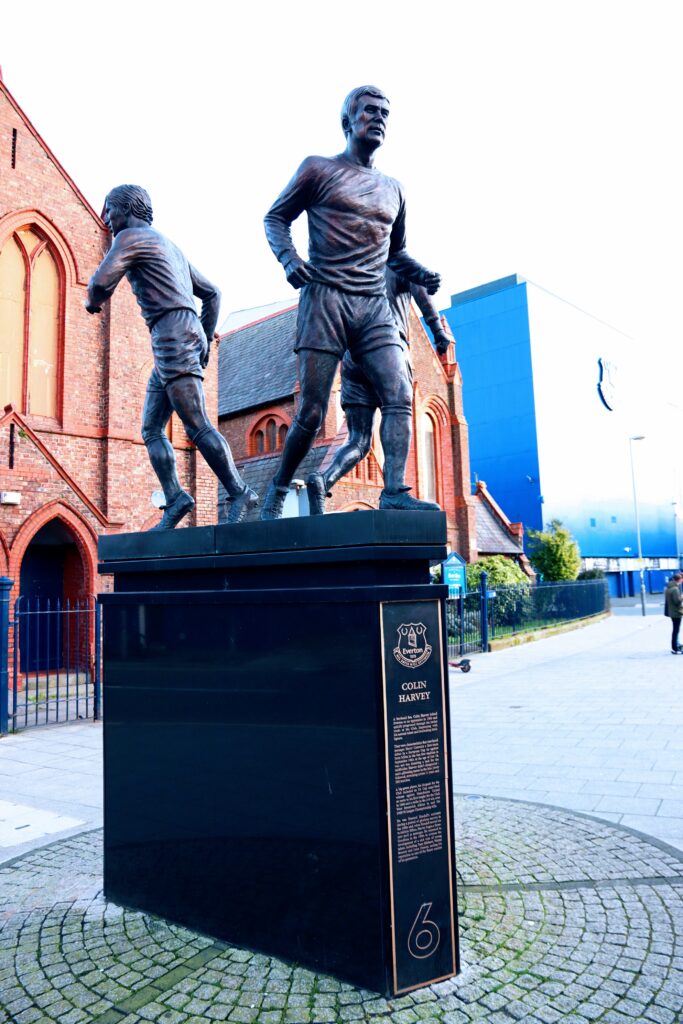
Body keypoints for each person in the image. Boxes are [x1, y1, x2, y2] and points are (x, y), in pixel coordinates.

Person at [261, 85, 442, 520]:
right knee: (311, 411)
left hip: (373, 305)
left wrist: (422, 274)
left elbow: (395, 254)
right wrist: (289, 259)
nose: (378, 118)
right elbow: (275, 217)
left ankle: (394, 490)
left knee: (399, 394)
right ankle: (278, 488)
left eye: (384, 113)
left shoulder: (395, 189)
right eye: (369, 111)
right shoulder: (317, 169)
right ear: (347, 120)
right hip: (325, 299)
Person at [85, 185, 257, 529]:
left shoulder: (130, 237)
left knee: (196, 423)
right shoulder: (168, 245)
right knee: (151, 428)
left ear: (127, 209)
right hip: (175, 335)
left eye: (111, 210)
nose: (108, 219)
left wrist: (93, 301)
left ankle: (240, 492)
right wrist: (203, 337)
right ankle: (176, 497)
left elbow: (99, 284)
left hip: (172, 333)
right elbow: (212, 294)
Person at [306, 266, 453, 514]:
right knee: (399, 406)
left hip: (352, 357)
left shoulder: (354, 268)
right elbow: (419, 289)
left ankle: (324, 480)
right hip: (385, 347)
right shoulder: (396, 262)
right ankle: (394, 491)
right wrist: (437, 331)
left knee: (359, 439)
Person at [664, 571, 683, 653]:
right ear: (679, 580)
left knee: (675, 630)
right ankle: (675, 647)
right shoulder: (675, 589)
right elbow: (677, 601)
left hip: (672, 611)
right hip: (676, 612)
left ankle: (676, 645)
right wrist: (682, 597)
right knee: (676, 630)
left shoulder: (669, 587)